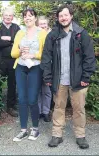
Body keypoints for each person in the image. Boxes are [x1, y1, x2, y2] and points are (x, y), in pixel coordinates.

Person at [40, 4, 96, 149]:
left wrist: (86, 77)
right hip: (59, 79)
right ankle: (57, 135)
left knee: (79, 109)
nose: (63, 18)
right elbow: (46, 58)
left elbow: (89, 57)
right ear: (58, 18)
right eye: (60, 16)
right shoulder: (52, 35)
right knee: (58, 107)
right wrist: (47, 77)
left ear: (71, 16)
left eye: (65, 15)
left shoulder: (81, 33)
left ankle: (80, 135)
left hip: (78, 80)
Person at [11, 8, 47, 142]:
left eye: (30, 16)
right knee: (22, 99)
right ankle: (23, 130)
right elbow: (13, 53)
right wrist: (20, 51)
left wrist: (34, 55)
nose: (27, 18)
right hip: (20, 67)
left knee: (32, 99)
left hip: (35, 68)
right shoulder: (20, 33)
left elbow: (46, 54)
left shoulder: (42, 33)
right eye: (25, 16)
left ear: (35, 18)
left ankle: (35, 129)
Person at [0, 7, 20, 117]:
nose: (8, 17)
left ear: (12, 17)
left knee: (12, 84)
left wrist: (6, 39)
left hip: (13, 60)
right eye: (6, 15)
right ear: (3, 16)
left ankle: (10, 106)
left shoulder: (16, 27)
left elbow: (18, 40)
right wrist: (11, 40)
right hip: (1, 60)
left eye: (10, 16)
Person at [37, 16, 52, 122]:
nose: (43, 26)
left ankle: (46, 112)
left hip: (49, 67)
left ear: (47, 25)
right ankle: (38, 111)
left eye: (44, 23)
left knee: (46, 90)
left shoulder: (52, 35)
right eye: (40, 24)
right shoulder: (34, 35)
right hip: (37, 66)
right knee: (37, 90)